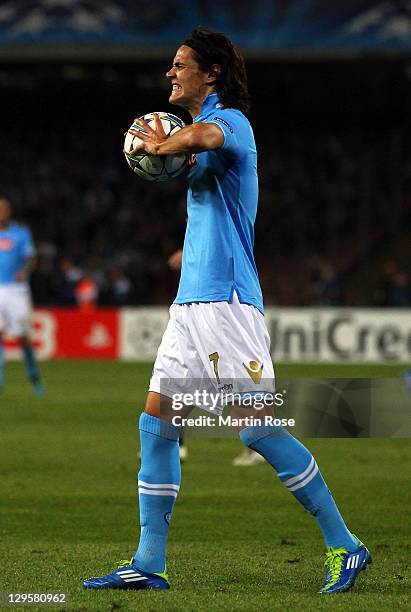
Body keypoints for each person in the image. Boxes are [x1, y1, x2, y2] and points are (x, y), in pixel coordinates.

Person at [84, 27, 370, 595]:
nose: (170, 72)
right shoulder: (197, 138)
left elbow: (207, 138)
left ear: (210, 73)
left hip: (227, 303)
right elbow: (193, 157)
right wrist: (166, 153)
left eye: (180, 64)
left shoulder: (232, 121)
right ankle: (148, 561)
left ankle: (346, 544)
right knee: (157, 422)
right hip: (190, 306)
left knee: (256, 429)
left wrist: (156, 144)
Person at [0, 195, 44, 394]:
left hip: (17, 291)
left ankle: (34, 377)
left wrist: (25, 271)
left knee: (22, 337)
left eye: (4, 208)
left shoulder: (20, 233)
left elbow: (31, 258)